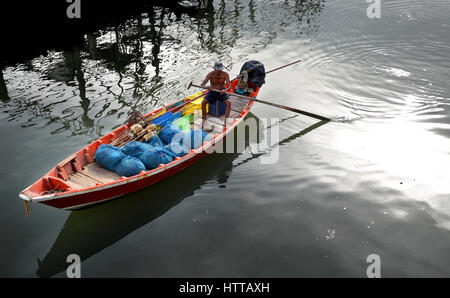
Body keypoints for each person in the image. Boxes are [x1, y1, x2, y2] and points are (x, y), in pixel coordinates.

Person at [200, 62, 231, 129]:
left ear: (221, 69)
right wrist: (206, 86)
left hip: (221, 92)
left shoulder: (225, 74)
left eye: (218, 69)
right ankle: (204, 119)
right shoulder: (210, 74)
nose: (216, 71)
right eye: (215, 69)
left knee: (229, 102)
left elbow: (229, 86)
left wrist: (225, 90)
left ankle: (226, 120)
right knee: (203, 102)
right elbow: (202, 84)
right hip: (212, 92)